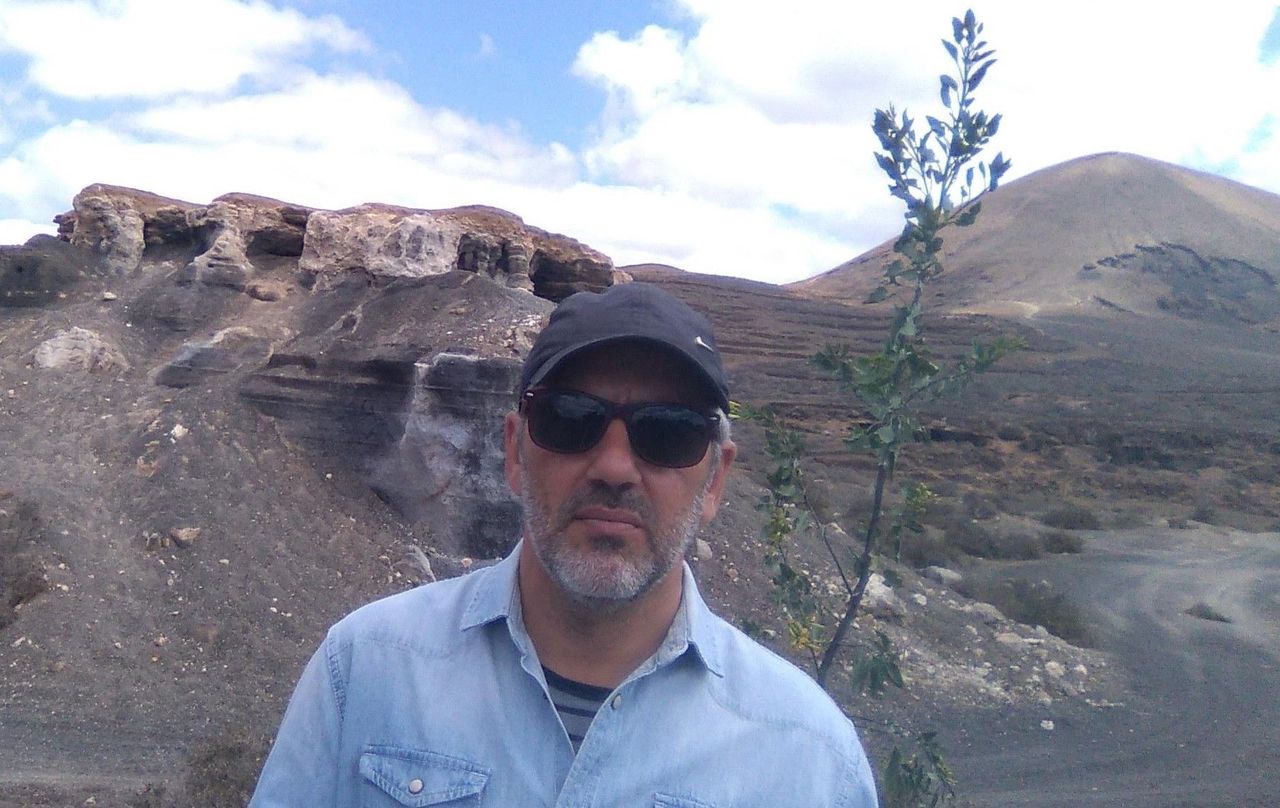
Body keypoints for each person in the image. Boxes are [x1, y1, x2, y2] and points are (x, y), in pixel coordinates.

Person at [250, 282, 879, 806]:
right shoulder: (364, 671)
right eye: (571, 418)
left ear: (715, 480)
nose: (615, 468)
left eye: (668, 432)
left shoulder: (813, 760)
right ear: (515, 452)